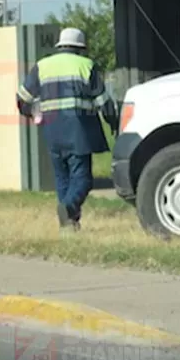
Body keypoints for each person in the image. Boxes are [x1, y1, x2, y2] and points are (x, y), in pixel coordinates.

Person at [16, 27, 119, 232]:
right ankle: (69, 208)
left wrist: (34, 114)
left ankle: (68, 226)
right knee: (82, 179)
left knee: (62, 178)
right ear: (81, 48)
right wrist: (113, 122)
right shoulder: (86, 65)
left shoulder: (42, 66)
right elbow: (103, 101)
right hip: (78, 132)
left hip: (52, 132)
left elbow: (22, 99)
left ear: (60, 46)